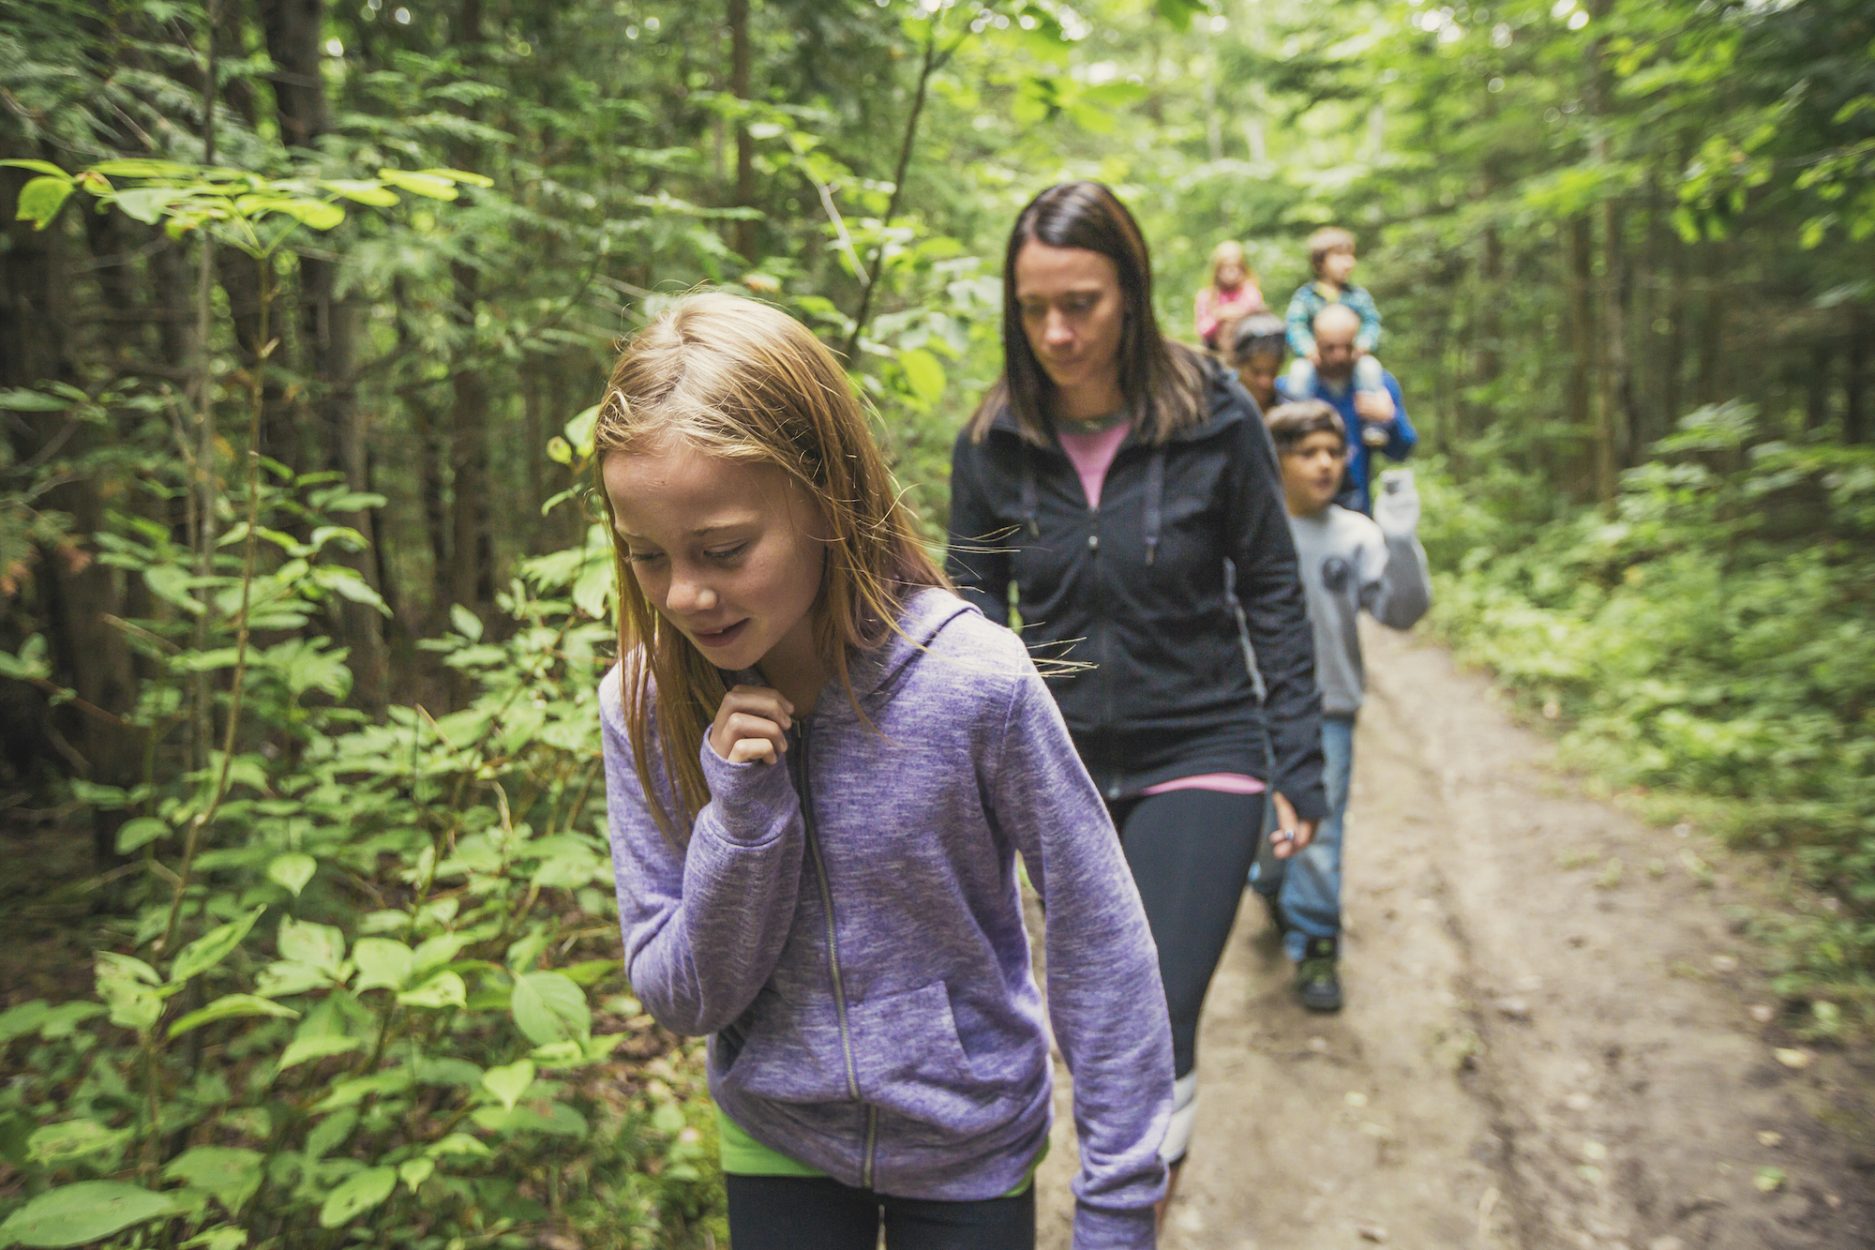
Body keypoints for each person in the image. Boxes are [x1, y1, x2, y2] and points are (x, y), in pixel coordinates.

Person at [596, 292, 1173, 1250]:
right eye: (647, 557)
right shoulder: (645, 706)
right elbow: (680, 997)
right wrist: (741, 823)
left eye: (726, 550)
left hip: (968, 1141)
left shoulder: (972, 684)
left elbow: (1097, 930)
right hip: (775, 1132)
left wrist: (1116, 1202)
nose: (686, 594)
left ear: (828, 499)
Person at [946, 182, 1328, 1209]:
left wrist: (1299, 757)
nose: (1057, 331)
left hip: (1203, 743)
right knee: (1086, 1019)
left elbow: (1274, 588)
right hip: (1056, 765)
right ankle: (1132, 1173)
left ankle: (1130, 1210)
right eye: (1033, 309)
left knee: (1154, 1004)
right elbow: (969, 619)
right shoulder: (993, 440)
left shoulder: (1213, 413)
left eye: (1082, 302)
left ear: (1134, 290)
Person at [1250, 400, 1431, 1011]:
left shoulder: (1355, 534)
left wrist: (1401, 541)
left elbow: (1400, 613)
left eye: (1334, 451)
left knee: (1318, 832)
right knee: (1260, 831)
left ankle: (1318, 944)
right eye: (1307, 453)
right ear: (1276, 460)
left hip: (1328, 707)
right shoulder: (1247, 527)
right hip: (1246, 707)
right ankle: (1272, 887)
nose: (1324, 463)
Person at [1286, 304, 1416, 514]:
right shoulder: (1292, 390)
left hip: (1357, 509)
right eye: (1330, 347)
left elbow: (1402, 450)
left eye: (1347, 347)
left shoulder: (1376, 386)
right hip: (1301, 514)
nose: (1339, 356)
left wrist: (1389, 419)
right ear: (1315, 344)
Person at [1282, 226, 1387, 412]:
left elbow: (1372, 321)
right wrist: (1306, 348)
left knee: (1370, 368)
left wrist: (1364, 344)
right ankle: (1297, 418)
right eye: (1339, 256)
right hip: (1316, 360)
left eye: (1350, 256)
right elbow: (1295, 325)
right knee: (1299, 372)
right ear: (1320, 262)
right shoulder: (1306, 296)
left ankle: (1374, 425)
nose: (1348, 262)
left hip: (1352, 360)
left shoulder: (1357, 296)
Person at [1194, 240, 1265, 352]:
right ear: (1217, 270)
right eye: (1226, 267)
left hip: (1245, 350)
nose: (1232, 272)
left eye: (1236, 267)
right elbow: (1202, 330)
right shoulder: (1207, 297)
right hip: (1214, 351)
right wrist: (1219, 317)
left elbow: (1257, 319)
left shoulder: (1250, 292)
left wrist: (1236, 313)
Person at [1227, 312, 1288, 414]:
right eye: (1256, 372)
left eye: (1273, 372)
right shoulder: (1219, 407)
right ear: (1237, 364)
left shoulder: (1287, 405)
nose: (1266, 383)